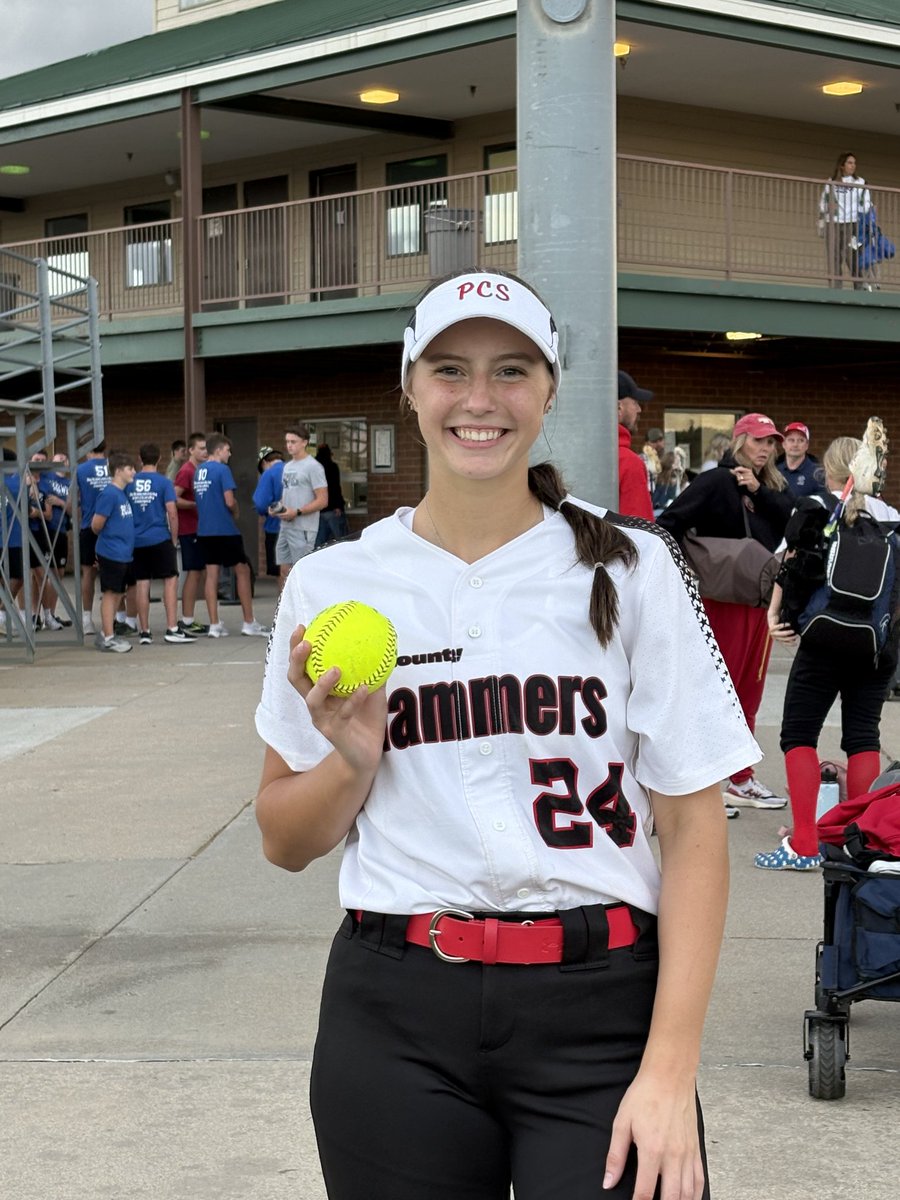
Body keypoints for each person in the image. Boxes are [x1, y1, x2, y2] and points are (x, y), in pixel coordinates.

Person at [255, 269, 760, 1200]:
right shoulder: (335, 585)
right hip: (396, 1009)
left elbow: (693, 828)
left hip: (602, 1006)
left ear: (551, 388)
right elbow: (283, 838)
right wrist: (354, 763)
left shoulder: (632, 565)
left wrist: (670, 1071)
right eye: (450, 370)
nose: (479, 400)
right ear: (409, 387)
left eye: (511, 371)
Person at [757, 436, 900, 870]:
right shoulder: (892, 517)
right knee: (862, 736)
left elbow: (789, 562)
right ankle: (855, 839)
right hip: (876, 647)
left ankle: (803, 845)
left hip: (823, 639)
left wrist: (775, 615)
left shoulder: (816, 505)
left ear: (830, 470)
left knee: (799, 734)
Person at [658, 413, 794, 814]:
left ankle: (739, 776)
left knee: (748, 691)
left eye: (771, 442)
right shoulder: (716, 480)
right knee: (720, 688)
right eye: (758, 441)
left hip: (757, 600)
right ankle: (708, 779)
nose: (766, 449)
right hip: (722, 601)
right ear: (739, 441)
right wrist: (688, 573)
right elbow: (668, 524)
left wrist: (759, 490)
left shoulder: (769, 485)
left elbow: (792, 518)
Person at [193, 432, 268, 638]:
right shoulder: (222, 470)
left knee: (212, 575)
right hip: (224, 529)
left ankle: (214, 624)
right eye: (227, 450)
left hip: (205, 529)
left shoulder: (199, 471)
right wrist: (236, 510)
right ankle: (248, 621)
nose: (230, 453)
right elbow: (229, 500)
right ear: (218, 450)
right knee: (242, 571)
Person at [126, 443, 194, 645]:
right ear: (159, 459)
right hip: (159, 537)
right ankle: (172, 628)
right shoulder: (164, 482)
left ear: (139, 458)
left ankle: (144, 631)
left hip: (137, 540)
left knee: (142, 583)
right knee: (170, 581)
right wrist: (173, 539)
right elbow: (172, 513)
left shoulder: (130, 482)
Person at [90, 451, 137, 654]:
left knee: (118, 592)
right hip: (112, 552)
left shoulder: (121, 494)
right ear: (118, 471)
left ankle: (109, 632)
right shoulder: (109, 493)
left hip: (123, 553)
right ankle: (108, 636)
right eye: (130, 468)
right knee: (110, 593)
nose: (133, 472)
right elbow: (96, 524)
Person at [272, 423, 328, 583]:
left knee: (301, 572)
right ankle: (286, 607)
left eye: (293, 441)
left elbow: (323, 500)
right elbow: (288, 493)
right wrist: (278, 508)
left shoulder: (313, 467)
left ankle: (303, 607)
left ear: (304, 442)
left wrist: (297, 511)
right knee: (284, 571)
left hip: (303, 527)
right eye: (287, 441)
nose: (289, 445)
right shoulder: (288, 466)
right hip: (286, 526)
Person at [818, 152, 871, 290]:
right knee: (834, 257)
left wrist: (861, 209)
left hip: (852, 224)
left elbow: (866, 204)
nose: (853, 165)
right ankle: (836, 290)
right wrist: (829, 207)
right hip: (833, 223)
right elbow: (822, 204)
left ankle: (860, 287)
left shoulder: (860, 182)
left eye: (854, 163)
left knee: (852, 256)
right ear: (842, 166)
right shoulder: (832, 182)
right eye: (849, 163)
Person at [173, 432, 209, 635]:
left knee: (200, 573)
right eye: (201, 448)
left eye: (206, 448)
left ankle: (189, 617)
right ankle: (186, 619)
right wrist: (196, 504)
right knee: (193, 573)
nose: (205, 452)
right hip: (189, 530)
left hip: (199, 528)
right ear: (191, 450)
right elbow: (174, 498)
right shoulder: (187, 471)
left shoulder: (201, 470)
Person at [75, 441, 110, 636]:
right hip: (111, 526)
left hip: (89, 525)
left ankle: (87, 619)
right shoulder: (113, 466)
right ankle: (117, 618)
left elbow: (74, 499)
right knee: (112, 571)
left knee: (88, 574)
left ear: (88, 451)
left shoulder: (80, 469)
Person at [617, 370, 654, 520]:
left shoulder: (575, 456)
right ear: (619, 407)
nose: (639, 410)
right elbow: (640, 532)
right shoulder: (628, 462)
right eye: (635, 402)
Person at [252, 446, 285, 578]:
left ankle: (284, 599)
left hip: (275, 528)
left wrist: (266, 510)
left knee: (280, 571)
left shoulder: (269, 473)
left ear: (264, 462)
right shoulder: (295, 468)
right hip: (302, 526)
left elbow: (260, 504)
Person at [776, 421, 826, 499]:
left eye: (801, 440)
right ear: (783, 444)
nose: (795, 444)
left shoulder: (818, 473)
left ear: (807, 445)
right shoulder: (775, 471)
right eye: (791, 440)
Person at [314, 443, 350, 546]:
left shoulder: (313, 469)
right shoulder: (332, 466)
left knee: (320, 543)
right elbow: (335, 487)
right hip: (332, 510)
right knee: (341, 540)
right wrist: (338, 506)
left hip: (318, 511)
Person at [641, 427, 665, 494]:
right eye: (654, 441)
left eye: (660, 440)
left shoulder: (668, 458)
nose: (658, 444)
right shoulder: (641, 460)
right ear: (646, 443)